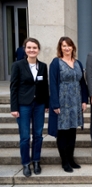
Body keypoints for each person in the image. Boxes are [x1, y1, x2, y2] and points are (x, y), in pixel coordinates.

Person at [48, 36, 88, 173]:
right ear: (60, 48)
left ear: (73, 47)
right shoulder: (56, 62)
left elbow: (83, 82)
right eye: (64, 46)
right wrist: (55, 104)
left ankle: (71, 159)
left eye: (69, 45)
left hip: (76, 101)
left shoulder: (78, 63)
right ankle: (64, 161)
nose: (66, 48)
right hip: (62, 101)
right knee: (63, 132)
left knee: (72, 132)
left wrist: (84, 100)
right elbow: (52, 84)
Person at [10, 37, 49, 177]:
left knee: (38, 135)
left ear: (38, 50)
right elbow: (13, 87)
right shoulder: (17, 65)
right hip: (23, 105)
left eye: (34, 48)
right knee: (25, 137)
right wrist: (14, 108)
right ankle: (26, 163)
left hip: (39, 104)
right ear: (25, 49)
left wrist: (47, 104)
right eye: (29, 47)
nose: (32, 50)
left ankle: (36, 160)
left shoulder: (43, 66)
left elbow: (45, 86)